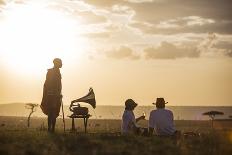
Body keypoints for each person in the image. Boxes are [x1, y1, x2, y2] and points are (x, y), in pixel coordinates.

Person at [40, 58, 63, 132]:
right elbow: (47, 84)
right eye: (60, 63)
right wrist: (52, 93)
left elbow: (58, 85)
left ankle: (52, 129)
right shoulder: (50, 72)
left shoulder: (58, 72)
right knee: (51, 112)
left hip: (56, 95)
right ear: (56, 63)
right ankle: (50, 129)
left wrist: (59, 93)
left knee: (55, 112)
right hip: (51, 96)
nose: (61, 64)